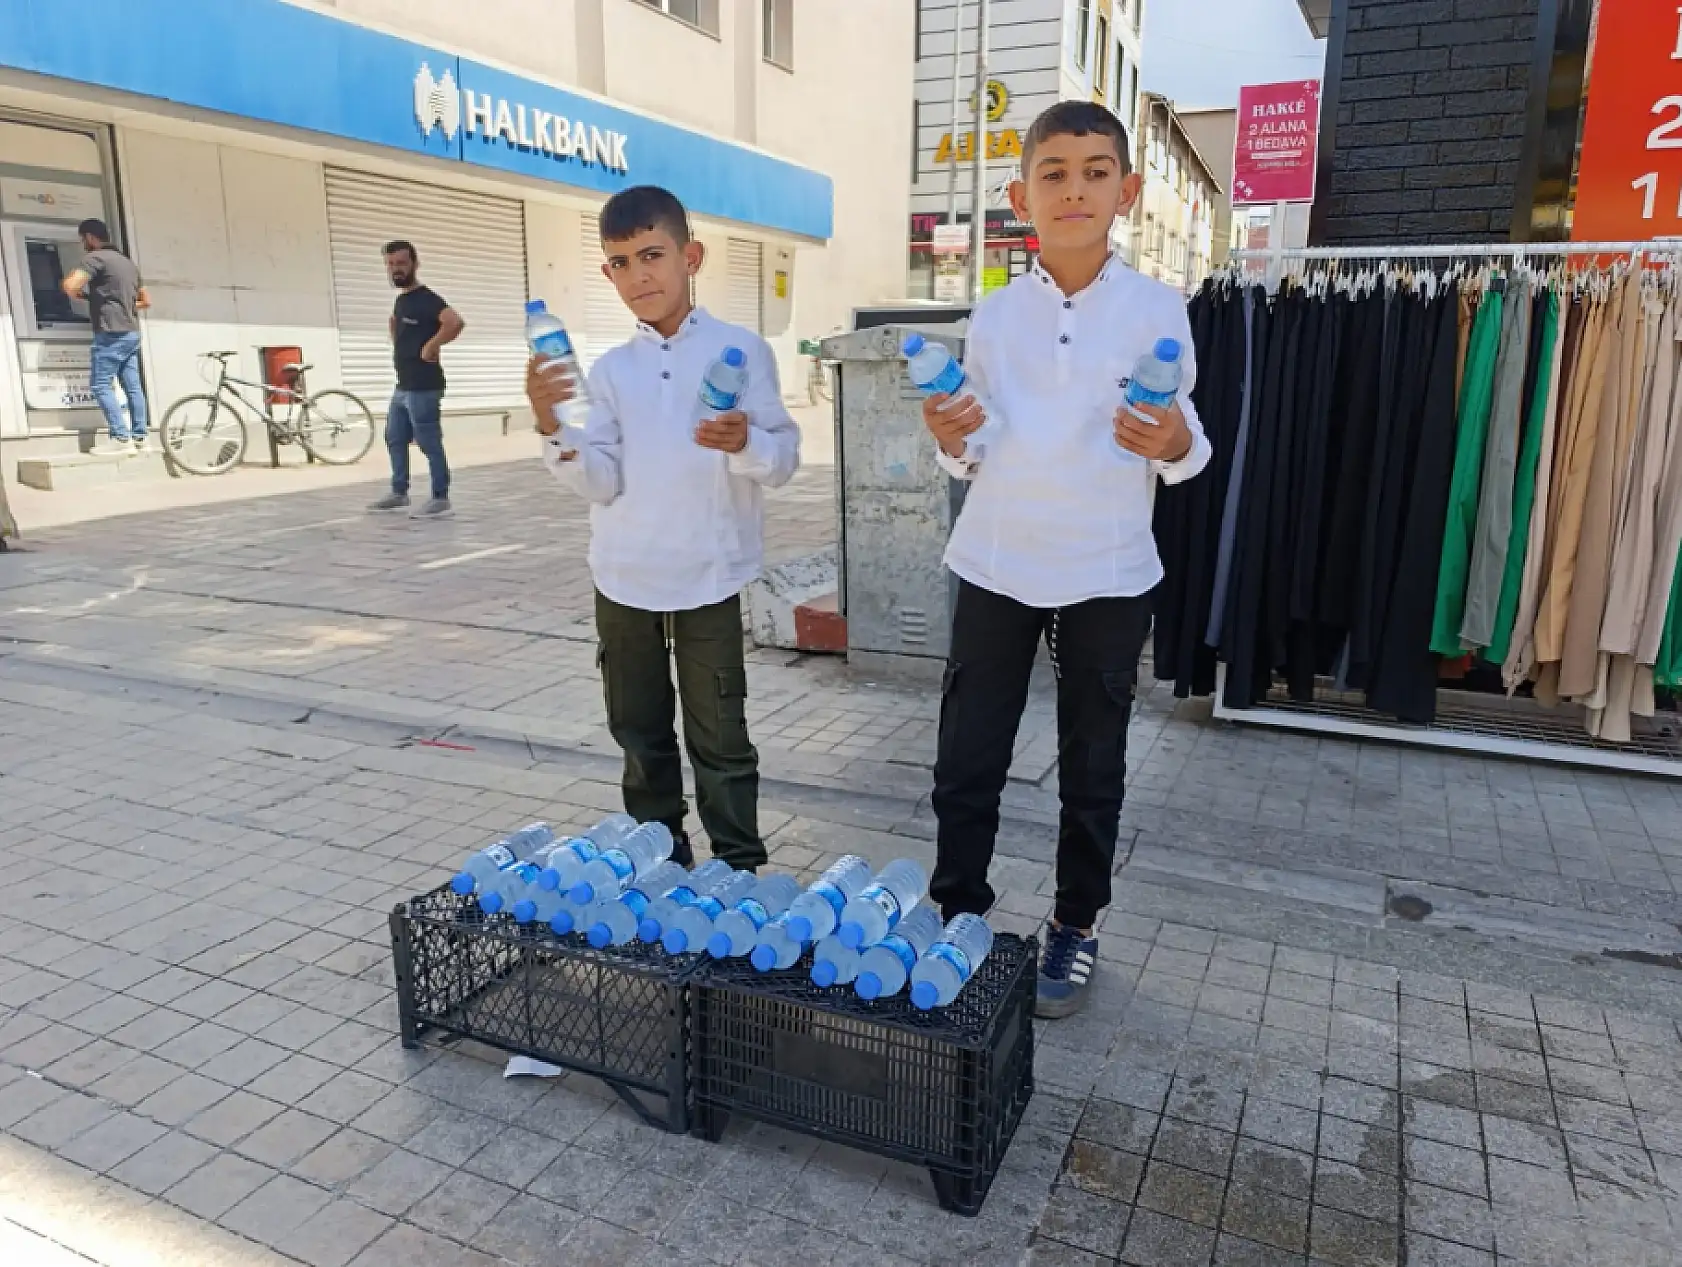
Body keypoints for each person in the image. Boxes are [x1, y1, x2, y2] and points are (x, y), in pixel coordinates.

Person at [922, 101, 1211, 1019]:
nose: (1074, 188)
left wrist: (1169, 438)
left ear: (1127, 192)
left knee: (1095, 761)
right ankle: (957, 909)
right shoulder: (996, 315)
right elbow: (972, 445)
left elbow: (1188, 441)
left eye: (1095, 171)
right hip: (998, 561)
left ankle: (1076, 923)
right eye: (1053, 172)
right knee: (969, 754)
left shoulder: (1159, 309)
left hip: (1109, 569)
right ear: (1021, 196)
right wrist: (947, 433)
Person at [525, 185, 799, 869]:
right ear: (607, 273)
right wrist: (549, 424)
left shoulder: (742, 350)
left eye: (652, 254)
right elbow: (602, 477)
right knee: (639, 729)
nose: (638, 275)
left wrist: (744, 441)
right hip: (623, 574)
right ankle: (658, 859)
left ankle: (739, 870)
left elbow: (783, 460)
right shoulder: (612, 370)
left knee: (720, 733)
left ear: (691, 256)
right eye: (620, 262)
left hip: (710, 573)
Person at [368, 240, 463, 518]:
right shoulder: (402, 300)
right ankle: (399, 492)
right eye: (390, 264)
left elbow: (455, 322)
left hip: (424, 385)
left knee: (428, 441)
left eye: (401, 263)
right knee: (394, 437)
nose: (395, 269)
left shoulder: (428, 299)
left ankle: (440, 497)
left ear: (414, 264)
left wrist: (432, 346)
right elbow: (397, 324)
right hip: (403, 384)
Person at [62, 219, 150, 453]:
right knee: (132, 386)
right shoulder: (128, 264)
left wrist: (84, 297)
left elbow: (71, 285)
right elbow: (145, 301)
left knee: (100, 384)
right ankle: (140, 437)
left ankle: (120, 439)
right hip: (131, 331)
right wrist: (121, 305)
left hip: (110, 331)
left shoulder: (95, 258)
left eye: (83, 239)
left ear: (90, 237)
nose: (83, 244)